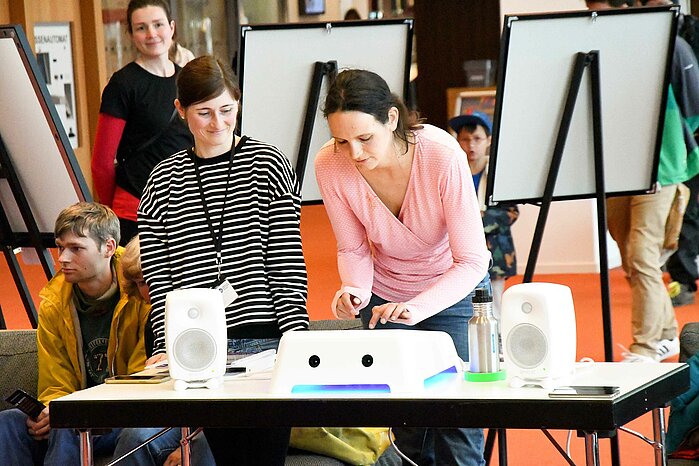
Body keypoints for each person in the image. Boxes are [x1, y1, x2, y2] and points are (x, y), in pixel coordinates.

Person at [138, 55, 309, 465]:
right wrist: (165, 346)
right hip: (200, 350)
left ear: (238, 102)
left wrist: (296, 341)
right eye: (204, 113)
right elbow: (160, 280)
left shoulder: (268, 164)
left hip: (267, 345)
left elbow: (286, 261)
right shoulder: (162, 180)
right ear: (180, 111)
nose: (218, 123)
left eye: (227, 110)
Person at [314, 69, 491, 466]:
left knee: (457, 425)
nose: (354, 154)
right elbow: (354, 247)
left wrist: (419, 308)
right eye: (342, 140)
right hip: (387, 294)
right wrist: (354, 291)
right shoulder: (330, 164)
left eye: (364, 138)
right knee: (405, 429)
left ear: (392, 119)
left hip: (453, 290)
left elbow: (473, 260)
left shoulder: (442, 154)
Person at [588, 0, 699, 362]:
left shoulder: (672, 47)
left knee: (641, 253)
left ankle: (647, 345)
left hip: (662, 168)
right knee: (632, 256)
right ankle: (666, 333)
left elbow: (693, 107)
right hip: (618, 169)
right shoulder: (601, 47)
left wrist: (676, 151)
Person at [0, 202, 150, 464]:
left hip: (123, 412)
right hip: (75, 412)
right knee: (9, 422)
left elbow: (142, 380)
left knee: (69, 422)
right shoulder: (54, 301)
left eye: (76, 248)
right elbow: (55, 381)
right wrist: (49, 410)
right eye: (60, 247)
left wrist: (70, 410)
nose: (63, 258)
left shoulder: (140, 290)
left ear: (109, 247)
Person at [91, 0, 193, 246]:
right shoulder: (123, 85)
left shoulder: (189, 79)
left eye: (158, 25)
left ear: (171, 27)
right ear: (131, 34)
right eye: (141, 28)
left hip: (187, 211)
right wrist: (110, 216)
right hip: (136, 212)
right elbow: (102, 163)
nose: (151, 34)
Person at [114, 235, 215, 466]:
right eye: (141, 283)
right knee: (133, 436)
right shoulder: (151, 320)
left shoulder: (202, 317)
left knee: (138, 437)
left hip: (207, 417)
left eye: (152, 280)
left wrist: (191, 440)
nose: (149, 290)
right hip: (167, 412)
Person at [449, 111, 518, 318]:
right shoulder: (452, 170)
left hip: (496, 250)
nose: (471, 145)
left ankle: (497, 343)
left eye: (477, 139)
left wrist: (477, 219)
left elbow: (511, 212)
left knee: (495, 303)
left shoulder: (498, 173)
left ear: (488, 140)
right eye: (465, 139)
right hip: (458, 251)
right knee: (463, 302)